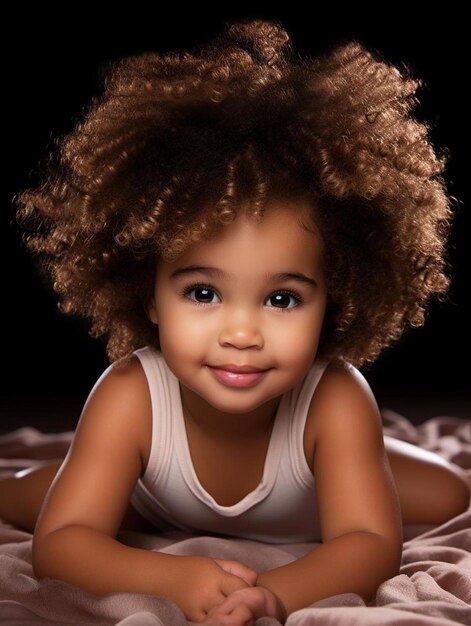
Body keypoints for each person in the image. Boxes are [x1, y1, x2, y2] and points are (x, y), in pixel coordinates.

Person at [1, 19, 468, 625]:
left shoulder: (335, 398)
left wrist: (273, 595)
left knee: (450, 492)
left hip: (312, 496)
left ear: (335, 297)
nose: (241, 333)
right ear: (149, 295)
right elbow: (62, 543)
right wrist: (169, 574)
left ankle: (371, 458)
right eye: (203, 292)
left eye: (281, 300)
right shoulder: (129, 393)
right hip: (153, 502)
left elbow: (369, 544)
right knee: (33, 498)